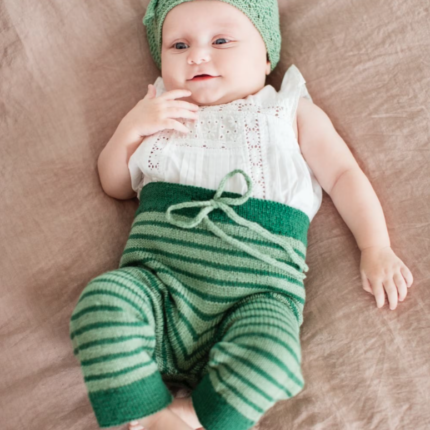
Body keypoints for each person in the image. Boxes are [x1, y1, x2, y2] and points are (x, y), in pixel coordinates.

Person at [69, 0, 414, 429]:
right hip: (156, 288)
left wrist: (375, 246)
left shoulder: (288, 112)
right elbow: (115, 184)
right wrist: (132, 127)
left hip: (255, 301)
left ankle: (190, 416)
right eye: (179, 45)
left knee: (274, 356)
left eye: (221, 41)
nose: (197, 55)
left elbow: (344, 175)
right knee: (102, 302)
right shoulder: (160, 114)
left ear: (266, 56)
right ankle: (147, 411)